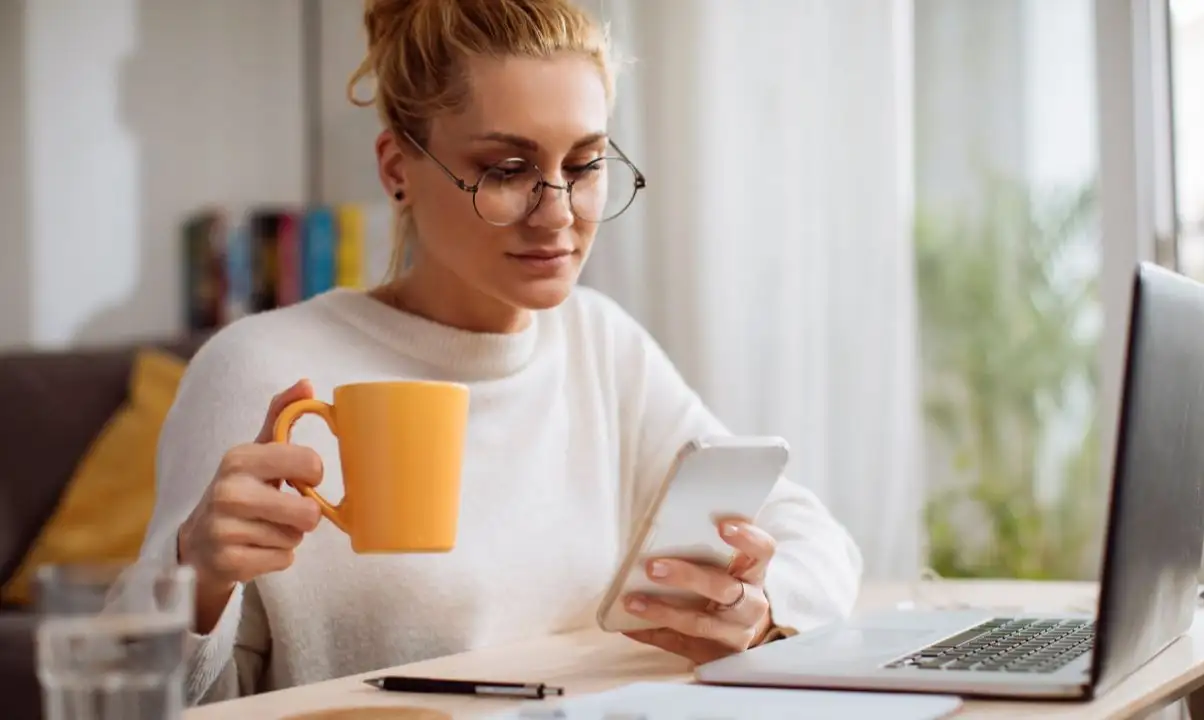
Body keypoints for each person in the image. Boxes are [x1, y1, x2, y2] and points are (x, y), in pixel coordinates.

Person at [134, 0, 863, 705]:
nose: (558, 215)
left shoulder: (600, 343)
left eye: (583, 166)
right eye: (507, 169)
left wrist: (764, 607)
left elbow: (817, 538)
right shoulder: (262, 367)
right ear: (396, 169)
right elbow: (133, 689)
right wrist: (196, 579)